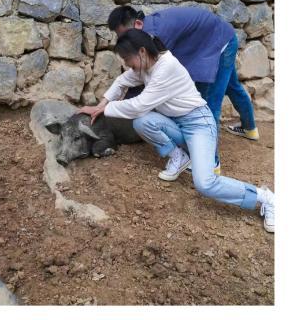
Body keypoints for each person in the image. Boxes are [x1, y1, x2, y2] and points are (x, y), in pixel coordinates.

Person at [77, 30, 274, 233]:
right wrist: (101, 105)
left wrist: (102, 109)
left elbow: (139, 105)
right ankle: (178, 156)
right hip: (177, 124)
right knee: (142, 122)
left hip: (199, 124)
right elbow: (121, 82)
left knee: (205, 183)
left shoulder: (166, 67)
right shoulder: (146, 66)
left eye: (128, 59)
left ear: (142, 52)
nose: (127, 65)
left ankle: (265, 198)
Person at [108, 5, 259, 148]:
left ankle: (210, 162)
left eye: (124, 35)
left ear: (138, 23)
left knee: (208, 102)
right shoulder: (147, 29)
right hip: (218, 36)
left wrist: (121, 105)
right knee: (232, 87)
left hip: (219, 42)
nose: (123, 41)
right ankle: (250, 129)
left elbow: (147, 77)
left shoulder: (157, 36)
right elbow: (142, 75)